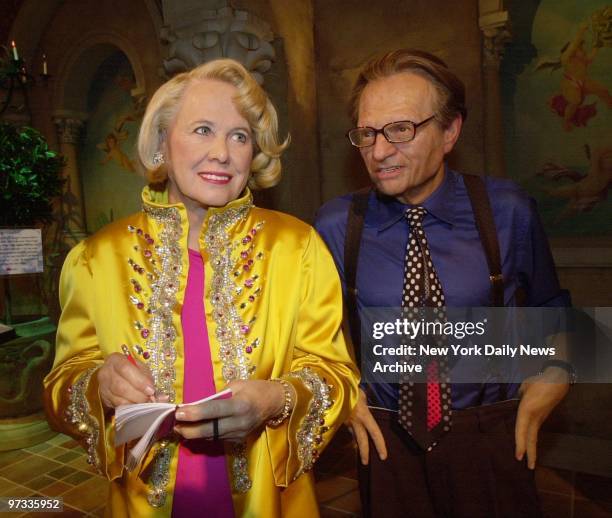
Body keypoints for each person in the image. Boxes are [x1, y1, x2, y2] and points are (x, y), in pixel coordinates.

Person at [44, 58, 359, 517]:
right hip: (142, 503)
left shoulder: (298, 249)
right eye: (202, 130)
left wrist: (276, 398)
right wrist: (99, 385)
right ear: (160, 145)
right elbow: (60, 386)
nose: (222, 153)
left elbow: (338, 378)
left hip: (269, 503)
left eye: (240, 136)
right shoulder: (95, 260)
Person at [315, 49, 572, 517]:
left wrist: (558, 372)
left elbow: (552, 308)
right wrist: (342, 395)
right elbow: (310, 335)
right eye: (368, 133)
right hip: (387, 441)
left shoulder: (507, 211)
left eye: (401, 130)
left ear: (449, 131)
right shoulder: (337, 225)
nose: (378, 151)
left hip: (492, 434)